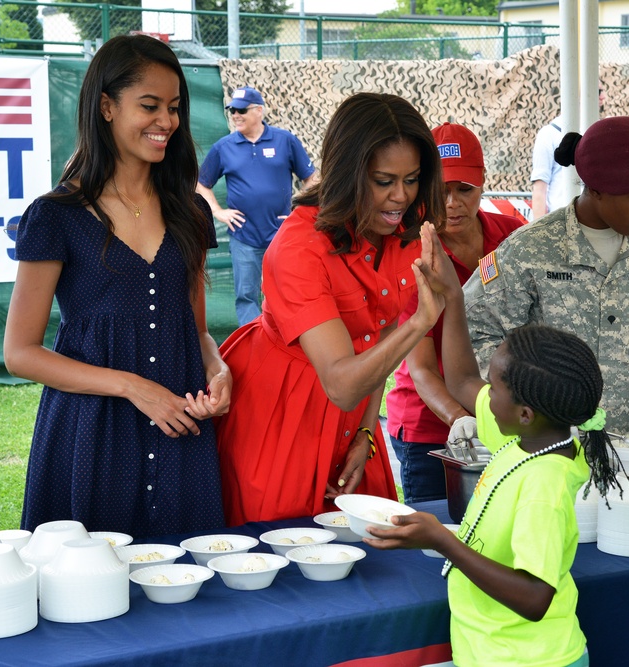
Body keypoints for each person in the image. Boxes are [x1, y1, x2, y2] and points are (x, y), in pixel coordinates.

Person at [3, 35, 230, 538]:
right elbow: (19, 352)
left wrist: (218, 369)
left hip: (181, 435)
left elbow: (197, 332)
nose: (166, 121)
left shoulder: (191, 212)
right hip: (90, 439)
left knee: (186, 592)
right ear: (106, 106)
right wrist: (134, 388)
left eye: (173, 108)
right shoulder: (55, 215)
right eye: (148, 106)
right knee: (86, 598)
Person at [368, 228, 621, 666]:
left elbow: (535, 596)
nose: (485, 391)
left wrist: (444, 542)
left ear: (525, 411)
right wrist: (454, 299)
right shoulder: (525, 437)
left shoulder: (544, 483)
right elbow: (462, 380)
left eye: (496, 384)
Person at [214, 92, 447, 525]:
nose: (400, 197)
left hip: (354, 412)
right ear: (347, 173)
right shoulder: (299, 247)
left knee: (370, 553)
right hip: (283, 410)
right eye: (383, 181)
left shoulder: (400, 230)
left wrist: (363, 433)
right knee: (284, 545)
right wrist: (419, 323)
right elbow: (341, 382)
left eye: (412, 179)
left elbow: (376, 338)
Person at [464, 116, 629, 439]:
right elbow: (478, 331)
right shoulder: (531, 250)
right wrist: (530, 400)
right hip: (552, 448)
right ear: (597, 190)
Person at [385, 122, 523, 503]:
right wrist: (459, 418)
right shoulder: (412, 255)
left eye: (464, 190)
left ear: (482, 185)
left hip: (508, 420)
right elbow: (421, 367)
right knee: (437, 540)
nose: (452, 203)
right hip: (433, 429)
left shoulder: (514, 238)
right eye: (441, 191)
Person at [196, 85, 317, 325]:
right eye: (232, 110)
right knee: (246, 297)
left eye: (241, 110)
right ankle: (253, 345)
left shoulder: (285, 140)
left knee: (285, 292)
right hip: (244, 237)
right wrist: (218, 211)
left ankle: (283, 339)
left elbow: (311, 178)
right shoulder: (224, 147)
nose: (235, 116)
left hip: (282, 235)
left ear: (259, 110)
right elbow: (201, 183)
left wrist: (299, 211)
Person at [529, 88, 607, 220]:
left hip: (596, 222)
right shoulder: (548, 133)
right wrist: (540, 232)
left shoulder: (602, 132)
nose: (603, 97)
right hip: (560, 221)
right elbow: (540, 189)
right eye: (598, 91)